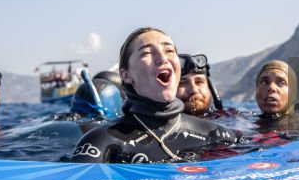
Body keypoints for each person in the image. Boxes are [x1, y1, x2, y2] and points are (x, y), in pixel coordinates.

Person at [70, 28, 239, 163]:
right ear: (126, 75)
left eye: (169, 50)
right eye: (147, 53)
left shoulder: (217, 135)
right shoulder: (101, 142)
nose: (162, 58)